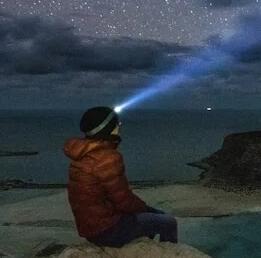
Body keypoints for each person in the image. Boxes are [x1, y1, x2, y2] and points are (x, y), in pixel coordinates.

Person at [64, 106, 178, 247]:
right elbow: (123, 200)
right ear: (107, 128)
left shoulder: (83, 154)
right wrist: (144, 209)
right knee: (168, 222)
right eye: (116, 123)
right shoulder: (107, 158)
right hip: (107, 230)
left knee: (155, 216)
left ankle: (144, 248)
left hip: (89, 228)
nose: (119, 125)